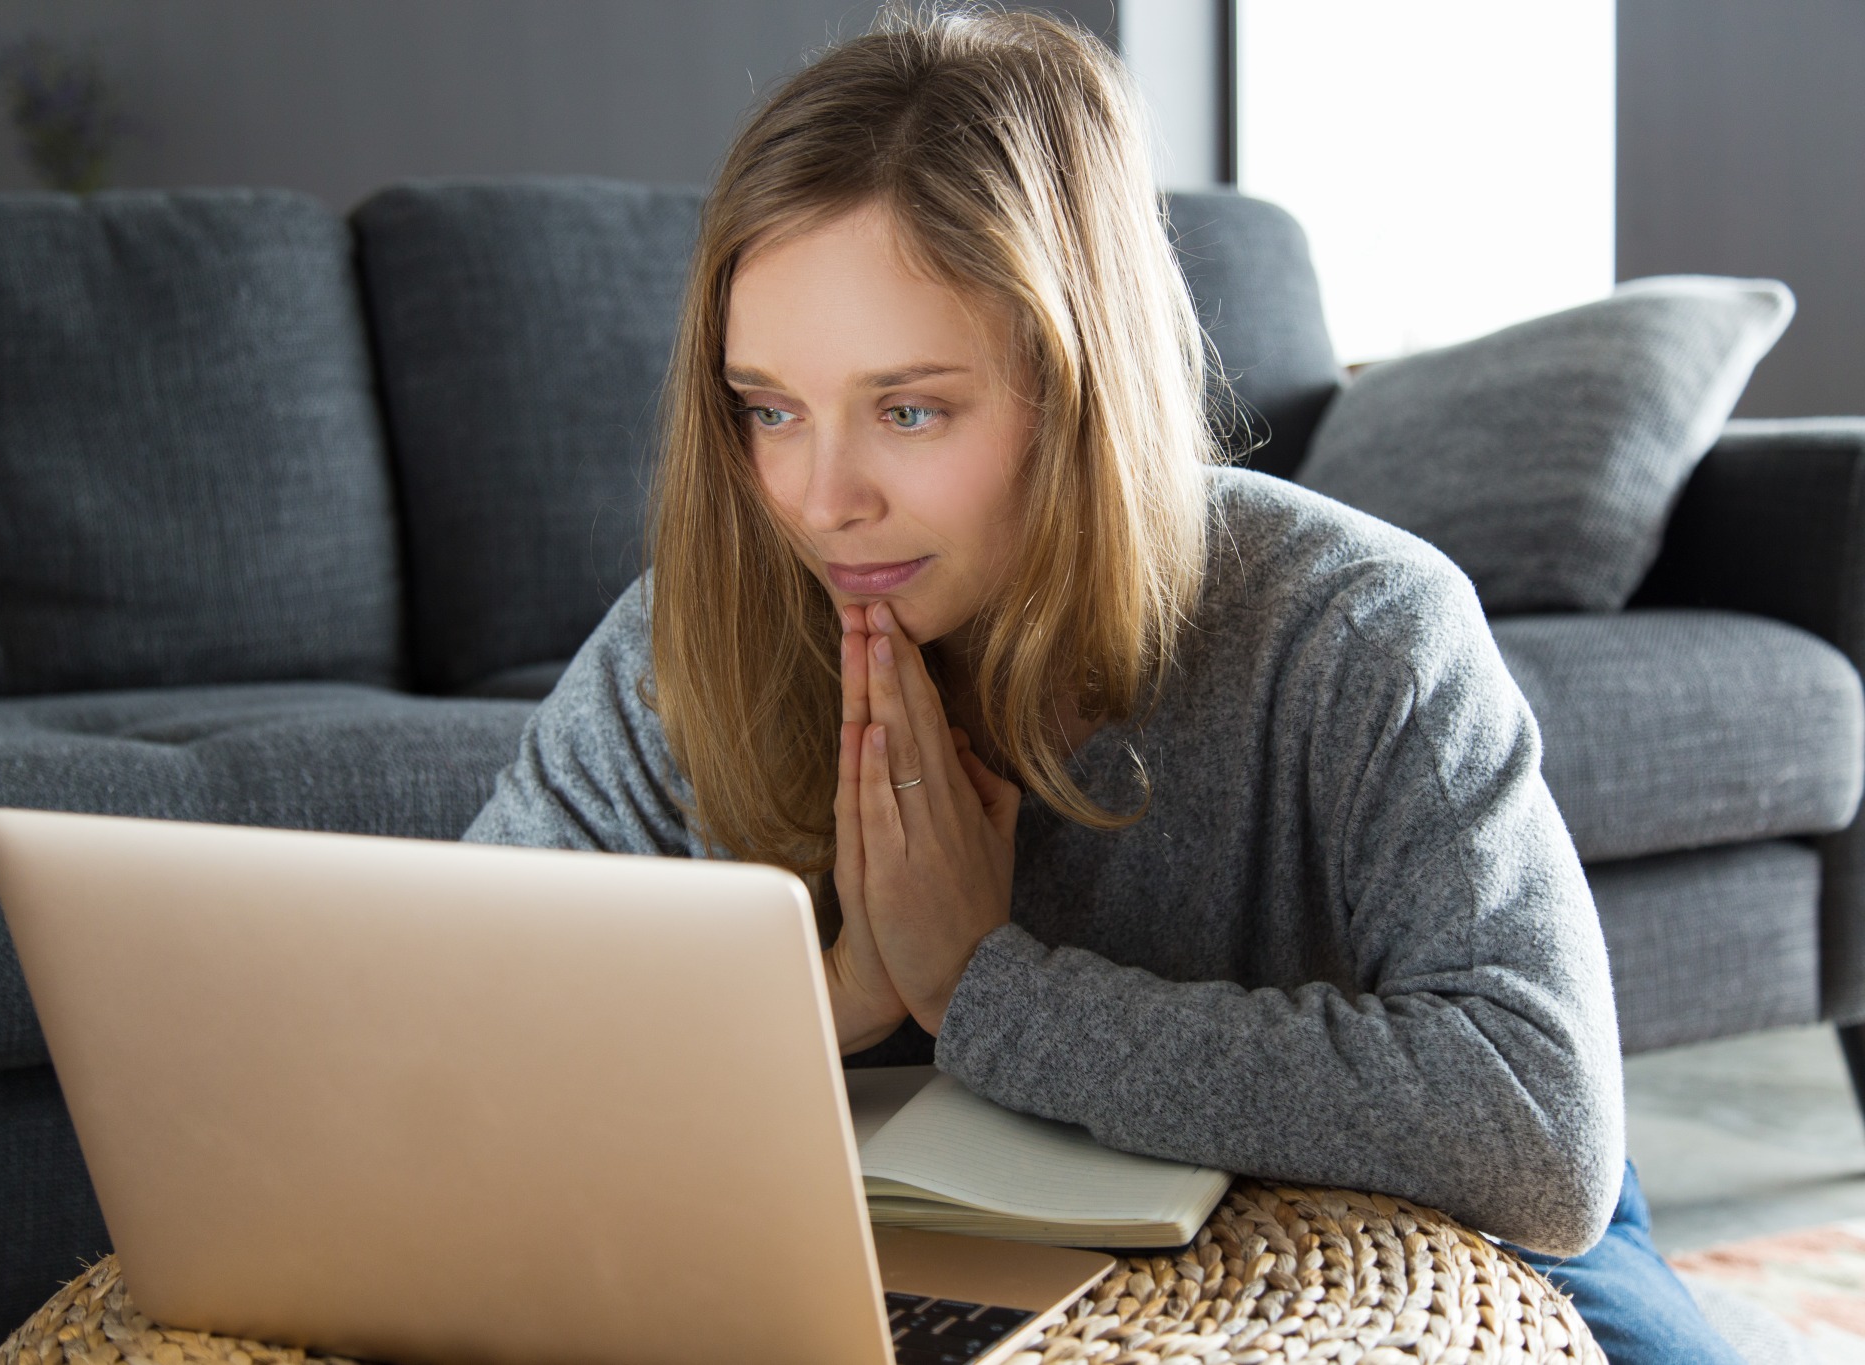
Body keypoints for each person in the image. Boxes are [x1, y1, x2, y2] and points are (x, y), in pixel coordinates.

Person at [460, 7, 1738, 1361]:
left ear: (1076, 389)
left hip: (1405, 1224)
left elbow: (1538, 1133)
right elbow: (452, 1051)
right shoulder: (687, 638)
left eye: (909, 410)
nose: (820, 499)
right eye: (769, 409)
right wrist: (827, 996)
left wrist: (987, 990)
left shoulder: (1360, 629)